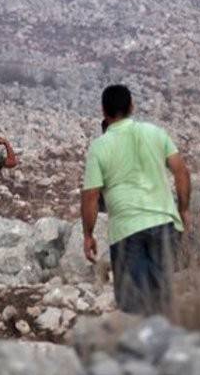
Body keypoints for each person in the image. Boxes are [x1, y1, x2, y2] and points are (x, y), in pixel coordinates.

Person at [81, 85, 191, 314]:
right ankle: (166, 344)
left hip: (126, 230)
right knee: (163, 299)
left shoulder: (99, 147)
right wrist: (184, 210)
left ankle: (141, 346)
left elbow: (91, 196)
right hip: (163, 223)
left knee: (134, 306)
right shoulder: (155, 133)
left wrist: (88, 234)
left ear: (103, 111)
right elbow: (181, 171)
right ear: (132, 106)